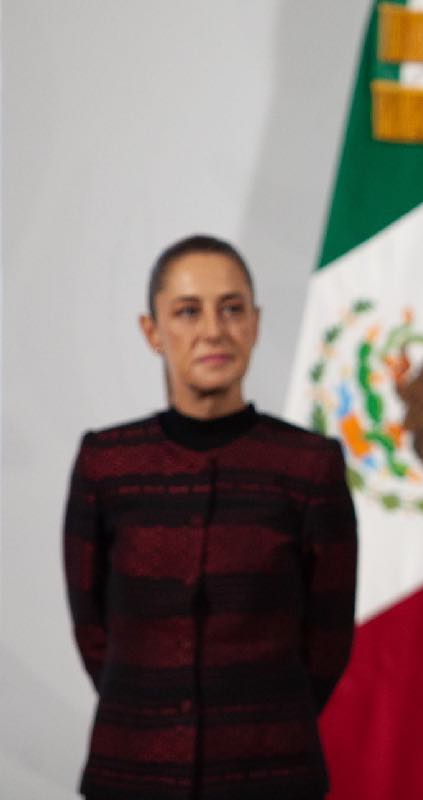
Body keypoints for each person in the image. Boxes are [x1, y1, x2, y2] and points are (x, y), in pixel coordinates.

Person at [62, 235, 358, 799]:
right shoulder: (107, 463)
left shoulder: (309, 465)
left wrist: (261, 715)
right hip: (131, 772)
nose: (213, 330)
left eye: (232, 308)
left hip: (272, 775)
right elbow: (93, 631)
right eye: (187, 311)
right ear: (153, 331)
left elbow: (328, 640)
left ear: (255, 322)